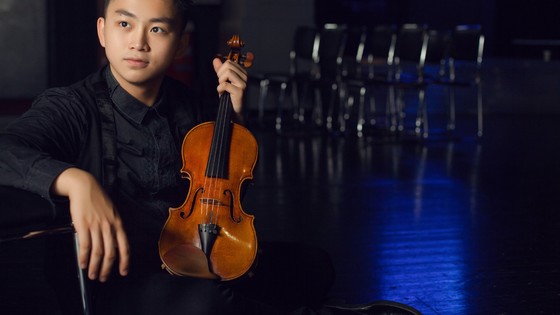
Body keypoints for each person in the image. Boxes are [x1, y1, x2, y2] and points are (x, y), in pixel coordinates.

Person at [0, 0, 420, 314]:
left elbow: (225, 197)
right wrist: (76, 180)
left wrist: (232, 117)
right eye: (124, 23)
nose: (138, 42)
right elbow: (6, 149)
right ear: (102, 31)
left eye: (158, 29)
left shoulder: (193, 105)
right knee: (208, 300)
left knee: (314, 264)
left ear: (181, 43)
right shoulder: (71, 106)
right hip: (114, 277)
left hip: (197, 255)